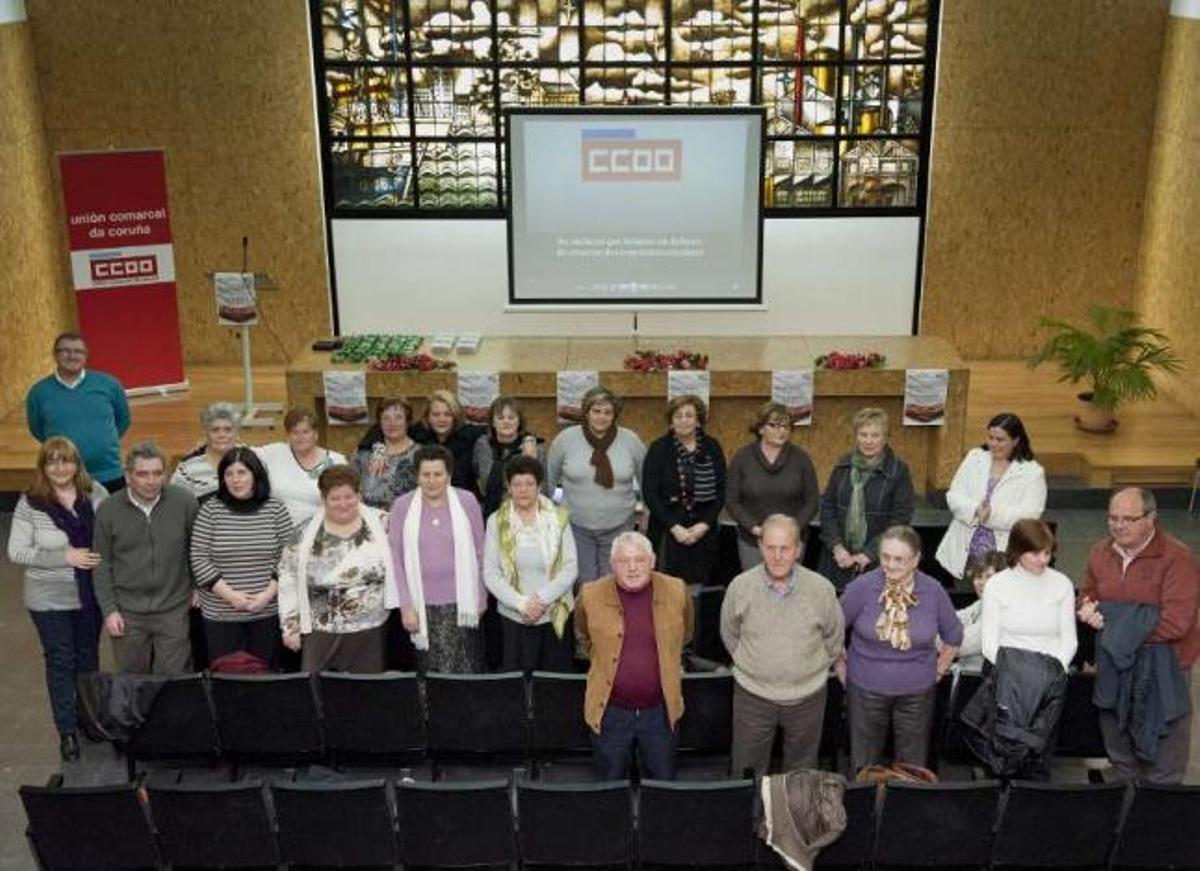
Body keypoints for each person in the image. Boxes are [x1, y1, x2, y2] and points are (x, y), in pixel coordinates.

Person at [1078, 487, 1200, 784]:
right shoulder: (1099, 553)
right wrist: (1087, 609)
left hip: (1166, 667)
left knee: (1165, 759)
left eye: (1128, 519)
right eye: (1113, 518)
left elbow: (1176, 623)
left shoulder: (1178, 558)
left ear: (1151, 518)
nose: (1118, 525)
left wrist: (1114, 625)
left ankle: (1158, 816)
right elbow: (1087, 595)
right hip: (1114, 666)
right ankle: (1120, 812)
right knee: (1119, 750)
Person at [6, 437, 107, 760]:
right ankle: (67, 731)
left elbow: (111, 535)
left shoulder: (96, 494)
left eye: (66, 461)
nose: (60, 468)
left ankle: (89, 720)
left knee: (88, 658)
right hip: (48, 598)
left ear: (77, 464)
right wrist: (65, 557)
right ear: (43, 467)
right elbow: (17, 551)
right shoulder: (31, 502)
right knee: (61, 661)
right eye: (52, 461)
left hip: (90, 595)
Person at [720, 515, 843, 779]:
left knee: (801, 774)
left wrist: (809, 669)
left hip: (807, 698)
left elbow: (834, 638)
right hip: (753, 697)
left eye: (785, 548)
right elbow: (729, 634)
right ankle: (751, 820)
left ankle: (793, 821)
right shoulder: (740, 587)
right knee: (746, 771)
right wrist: (752, 664)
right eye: (771, 547)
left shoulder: (822, 589)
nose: (777, 556)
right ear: (760, 547)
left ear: (798, 549)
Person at [838, 525, 962, 774]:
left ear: (916, 559)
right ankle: (865, 810)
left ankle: (904, 811)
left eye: (899, 559)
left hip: (917, 694)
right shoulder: (861, 588)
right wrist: (841, 666)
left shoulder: (933, 591)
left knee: (912, 767)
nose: (890, 565)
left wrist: (938, 670)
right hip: (865, 690)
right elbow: (831, 629)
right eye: (885, 557)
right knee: (864, 765)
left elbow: (954, 635)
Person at [575, 532, 693, 780]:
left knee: (663, 786)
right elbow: (584, 638)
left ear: (652, 561)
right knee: (609, 787)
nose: (632, 568)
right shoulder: (590, 595)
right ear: (612, 564)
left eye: (639, 560)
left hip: (660, 713)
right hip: (609, 712)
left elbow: (685, 636)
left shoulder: (677, 591)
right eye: (623, 561)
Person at [964, 518, 1076, 778]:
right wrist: (1019, 678)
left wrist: (1046, 677)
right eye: (1034, 553)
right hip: (1005, 681)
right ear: (1017, 550)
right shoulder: (998, 585)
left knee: (1038, 754)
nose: (1042, 560)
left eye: (1047, 553)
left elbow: (1069, 639)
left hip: (1049, 683)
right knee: (999, 753)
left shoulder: (1062, 584)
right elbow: (989, 641)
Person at [277, 465, 399, 672]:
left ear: (359, 495)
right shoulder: (304, 533)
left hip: (372, 630)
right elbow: (288, 577)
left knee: (367, 693)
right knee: (320, 692)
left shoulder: (384, 523)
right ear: (323, 500)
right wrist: (290, 626)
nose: (343, 504)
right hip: (321, 631)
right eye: (335, 498)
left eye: (349, 497)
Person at [92, 442, 199, 674]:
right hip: (127, 612)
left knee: (173, 679)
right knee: (133, 681)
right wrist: (110, 610)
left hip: (174, 608)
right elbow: (102, 564)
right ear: (128, 476)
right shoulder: (108, 510)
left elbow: (196, 549)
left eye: (157, 473)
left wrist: (197, 586)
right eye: (142, 474)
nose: (151, 481)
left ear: (166, 474)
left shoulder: (185, 502)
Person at [189, 448, 293, 670]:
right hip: (221, 615)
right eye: (229, 474)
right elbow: (198, 557)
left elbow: (290, 554)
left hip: (267, 612)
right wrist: (231, 597)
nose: (236, 480)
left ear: (255, 474)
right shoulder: (210, 510)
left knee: (266, 679)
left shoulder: (275, 509)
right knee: (228, 682)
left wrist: (266, 595)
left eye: (242, 472)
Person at [389, 445, 487, 673]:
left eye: (438, 474)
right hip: (421, 608)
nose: (431, 481)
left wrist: (481, 598)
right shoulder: (402, 506)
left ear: (449, 475)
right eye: (426, 475)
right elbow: (395, 560)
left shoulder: (467, 501)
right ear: (417, 476)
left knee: (466, 670)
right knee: (431, 676)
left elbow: (481, 551)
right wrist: (405, 607)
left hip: (463, 606)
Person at [482, 455, 577, 672]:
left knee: (553, 685)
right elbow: (490, 573)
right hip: (514, 616)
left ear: (540, 486)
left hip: (555, 613)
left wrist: (541, 600)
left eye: (529, 483)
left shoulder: (559, 518)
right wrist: (522, 604)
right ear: (508, 487)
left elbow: (570, 567)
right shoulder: (496, 521)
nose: (523, 489)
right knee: (517, 685)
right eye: (517, 484)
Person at [547, 386, 647, 584]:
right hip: (576, 527)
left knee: (614, 585)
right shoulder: (565, 440)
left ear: (615, 415)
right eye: (596, 411)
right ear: (586, 412)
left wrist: (646, 512)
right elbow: (548, 480)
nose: (601, 417)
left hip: (619, 526)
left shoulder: (631, 441)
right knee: (585, 586)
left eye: (607, 412)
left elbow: (647, 481)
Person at [936, 412, 1046, 581]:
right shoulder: (975, 457)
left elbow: (1030, 515)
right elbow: (954, 495)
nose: (993, 444)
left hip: (1004, 554)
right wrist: (975, 510)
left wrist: (990, 516)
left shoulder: (1032, 472)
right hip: (963, 551)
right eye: (991, 437)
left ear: (1016, 441)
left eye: (1000, 439)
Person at [818, 407, 915, 592]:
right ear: (856, 436)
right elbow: (827, 507)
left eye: (875, 435)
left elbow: (900, 520)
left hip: (879, 561)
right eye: (863, 435)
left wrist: (868, 554)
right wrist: (837, 547)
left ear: (885, 438)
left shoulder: (898, 471)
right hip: (838, 560)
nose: (868, 441)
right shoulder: (842, 465)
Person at [25, 332, 131, 492]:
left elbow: (123, 420)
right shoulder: (39, 392)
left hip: (109, 472)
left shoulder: (109, 384)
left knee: (114, 516)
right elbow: (37, 429)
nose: (72, 356)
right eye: (65, 350)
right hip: (63, 475)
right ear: (55, 354)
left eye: (78, 351)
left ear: (86, 356)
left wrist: (105, 442)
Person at [641, 394, 727, 589]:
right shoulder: (658, 449)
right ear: (671, 422)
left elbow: (722, 491)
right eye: (678, 416)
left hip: (704, 532)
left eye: (689, 415)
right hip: (667, 531)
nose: (683, 420)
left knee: (701, 591)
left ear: (698, 421)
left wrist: (704, 525)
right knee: (666, 590)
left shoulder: (712, 447)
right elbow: (650, 494)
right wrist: (675, 527)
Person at [725, 401, 819, 571]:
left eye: (786, 426)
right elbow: (732, 501)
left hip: (790, 541)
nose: (781, 431)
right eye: (774, 425)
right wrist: (755, 528)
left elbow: (812, 501)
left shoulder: (801, 459)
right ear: (761, 429)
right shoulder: (742, 458)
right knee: (754, 591)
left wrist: (791, 530)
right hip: (752, 540)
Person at [255, 408, 347, 531]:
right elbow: (240, 453)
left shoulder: (337, 461)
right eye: (295, 432)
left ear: (316, 434)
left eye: (305, 432)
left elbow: (350, 501)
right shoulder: (273, 453)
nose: (300, 437)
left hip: (322, 532)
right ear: (288, 435)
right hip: (278, 531)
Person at [473, 395, 545, 519]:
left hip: (525, 515)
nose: (506, 421)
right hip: (490, 515)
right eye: (500, 418)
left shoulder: (534, 448)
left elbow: (544, 488)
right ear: (492, 422)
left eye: (511, 418)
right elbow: (476, 474)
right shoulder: (482, 446)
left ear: (519, 422)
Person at [409, 390, 487, 497]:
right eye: (436, 414)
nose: (442, 419)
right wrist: (379, 448)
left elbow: (497, 429)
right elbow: (383, 430)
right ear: (427, 417)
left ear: (455, 417)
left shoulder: (469, 435)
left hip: (464, 500)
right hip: (427, 499)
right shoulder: (418, 434)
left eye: (447, 414)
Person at [353, 396, 420, 510]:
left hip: (405, 517)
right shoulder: (364, 453)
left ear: (408, 421)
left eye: (398, 417)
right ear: (379, 422)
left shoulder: (420, 454)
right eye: (386, 418)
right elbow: (350, 484)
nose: (392, 423)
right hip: (367, 518)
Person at [170, 402, 241, 502]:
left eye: (228, 430)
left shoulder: (252, 458)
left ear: (236, 433)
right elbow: (175, 503)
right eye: (215, 430)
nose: (221, 435)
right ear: (205, 433)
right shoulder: (189, 466)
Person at [954, 550, 1008, 673]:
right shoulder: (984, 603)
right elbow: (955, 618)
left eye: (989, 577)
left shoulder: (1001, 610)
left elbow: (961, 645)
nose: (982, 583)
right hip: (972, 677)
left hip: (986, 684)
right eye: (978, 576)